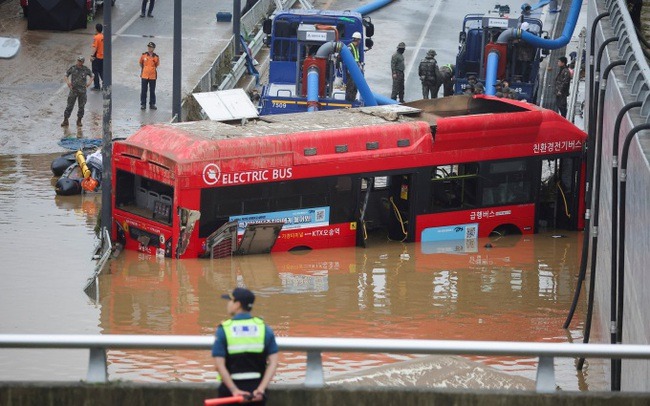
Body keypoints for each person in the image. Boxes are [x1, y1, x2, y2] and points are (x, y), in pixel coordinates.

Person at [212, 288, 278, 405]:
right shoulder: (264, 328)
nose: (228, 304)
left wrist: (234, 390)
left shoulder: (224, 329)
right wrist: (261, 389)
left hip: (230, 393)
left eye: (230, 301)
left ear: (237, 305)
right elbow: (274, 362)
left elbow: (218, 365)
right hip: (256, 392)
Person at [61, 56, 94, 127]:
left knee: (81, 107)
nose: (79, 62)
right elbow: (66, 75)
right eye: (78, 61)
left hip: (82, 92)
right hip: (73, 90)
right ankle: (65, 120)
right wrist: (68, 82)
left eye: (81, 61)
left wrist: (89, 83)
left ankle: (79, 120)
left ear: (83, 62)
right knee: (69, 106)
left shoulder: (85, 69)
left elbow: (92, 75)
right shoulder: (73, 68)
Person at [139, 41, 160, 110]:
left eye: (151, 47)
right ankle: (143, 104)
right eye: (148, 47)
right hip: (144, 75)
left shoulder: (156, 57)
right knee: (143, 90)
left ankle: (152, 104)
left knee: (152, 90)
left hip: (152, 76)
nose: (149, 48)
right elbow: (141, 63)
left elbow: (157, 64)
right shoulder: (144, 55)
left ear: (153, 48)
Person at [345, 31, 362, 102]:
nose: (360, 42)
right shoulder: (350, 47)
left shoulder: (355, 47)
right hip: (351, 70)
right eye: (359, 40)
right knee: (350, 86)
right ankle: (348, 101)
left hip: (355, 69)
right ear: (357, 40)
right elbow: (348, 59)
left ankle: (352, 99)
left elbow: (356, 58)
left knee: (355, 86)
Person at [91, 23, 104, 91]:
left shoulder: (96, 37)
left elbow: (95, 48)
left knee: (95, 71)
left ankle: (97, 86)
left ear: (96, 29)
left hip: (97, 56)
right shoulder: (103, 36)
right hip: (103, 56)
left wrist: (92, 56)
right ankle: (105, 83)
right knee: (101, 70)